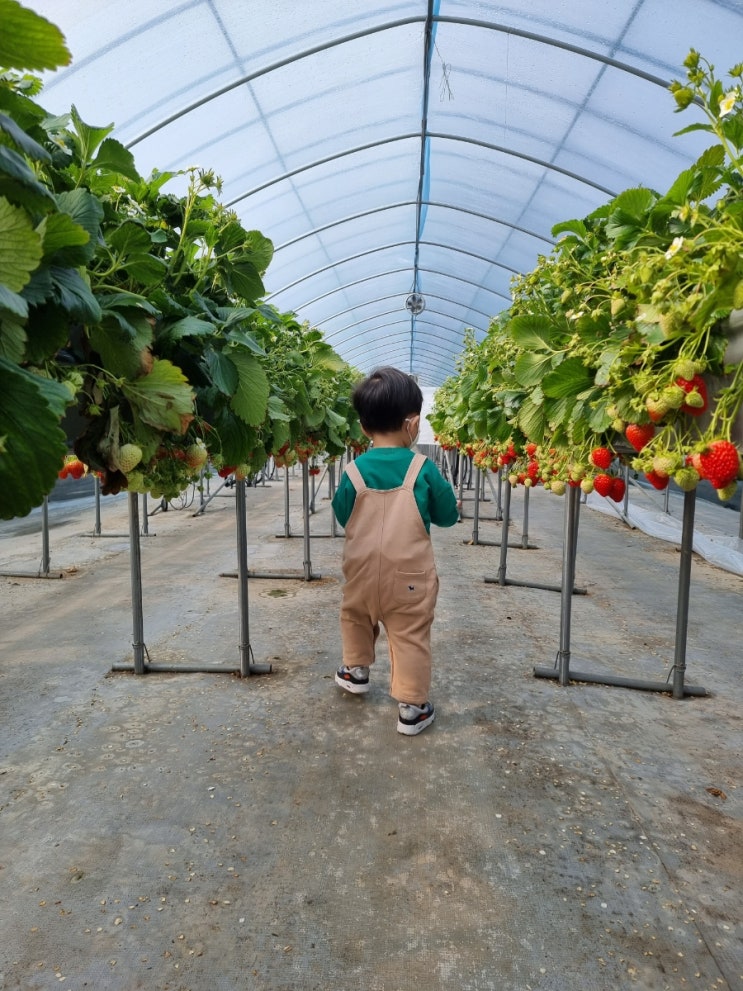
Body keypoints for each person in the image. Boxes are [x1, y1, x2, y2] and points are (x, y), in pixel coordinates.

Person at [332, 366, 460, 735]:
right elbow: (447, 516)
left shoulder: (354, 470)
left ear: (363, 427)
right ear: (413, 423)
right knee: (409, 634)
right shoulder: (423, 469)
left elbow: (343, 514)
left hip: (360, 571)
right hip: (409, 579)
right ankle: (412, 708)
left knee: (355, 615)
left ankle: (355, 671)